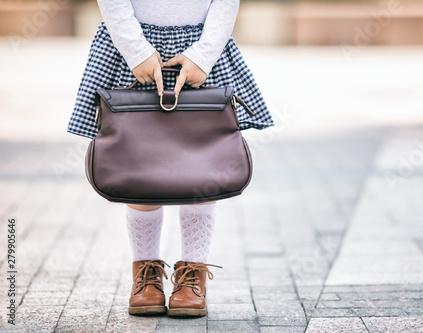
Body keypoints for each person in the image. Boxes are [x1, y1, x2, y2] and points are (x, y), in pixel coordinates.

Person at [66, 0, 274, 317]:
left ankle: (193, 273)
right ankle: (146, 274)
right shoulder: (132, 47)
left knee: (203, 164)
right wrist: (135, 50)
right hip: (131, 44)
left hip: (202, 45)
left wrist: (204, 54)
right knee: (140, 164)